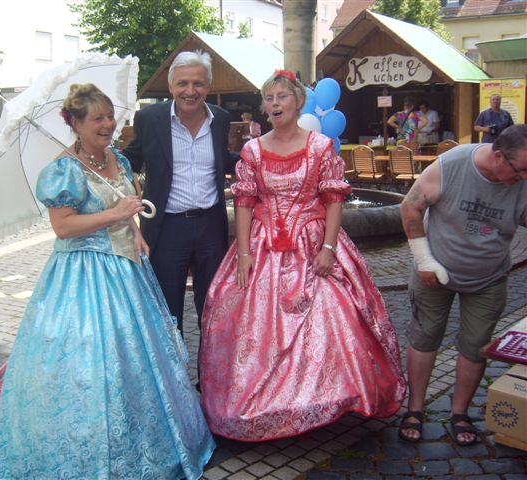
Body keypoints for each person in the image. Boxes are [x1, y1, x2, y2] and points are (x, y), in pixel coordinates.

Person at [0, 84, 215, 479]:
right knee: (95, 362)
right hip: (83, 275)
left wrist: (136, 231)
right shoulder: (64, 169)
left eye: (110, 116)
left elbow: (126, 209)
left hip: (128, 271)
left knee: (140, 362)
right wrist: (114, 216)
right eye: (97, 118)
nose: (108, 124)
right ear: (75, 124)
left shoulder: (118, 161)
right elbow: (62, 227)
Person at [199, 70, 406, 442]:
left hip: (313, 244)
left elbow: (333, 199)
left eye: (282, 97)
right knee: (250, 322)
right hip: (263, 247)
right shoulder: (253, 150)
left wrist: (328, 248)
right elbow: (245, 202)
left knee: (333, 319)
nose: (275, 104)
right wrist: (244, 252)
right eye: (269, 98)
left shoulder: (320, 148)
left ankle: (324, 397)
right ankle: (267, 403)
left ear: (297, 102)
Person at [398, 124, 527, 447]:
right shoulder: (453, 165)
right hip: (434, 271)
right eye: (519, 169)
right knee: (424, 338)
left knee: (475, 345)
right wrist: (424, 260)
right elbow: (410, 206)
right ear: (498, 155)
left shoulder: (524, 180)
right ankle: (414, 409)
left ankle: (460, 413)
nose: (523, 177)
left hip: (488, 278)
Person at [123, 50, 236, 333]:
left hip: (211, 225)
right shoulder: (150, 119)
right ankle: (173, 377)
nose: (190, 91)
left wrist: (268, 156)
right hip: (166, 227)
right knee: (167, 310)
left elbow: (224, 157)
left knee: (212, 306)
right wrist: (92, 158)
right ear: (171, 86)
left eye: (198, 83)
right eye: (183, 83)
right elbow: (129, 161)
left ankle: (209, 377)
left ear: (208, 87)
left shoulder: (220, 119)